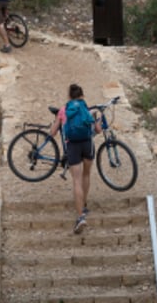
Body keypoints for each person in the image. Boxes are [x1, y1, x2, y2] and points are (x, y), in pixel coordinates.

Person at [50, 83, 101, 234]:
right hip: (87, 144)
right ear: (82, 95)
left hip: (72, 146)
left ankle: (80, 217)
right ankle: (84, 206)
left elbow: (52, 132)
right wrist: (98, 121)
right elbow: (98, 130)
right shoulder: (88, 109)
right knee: (86, 175)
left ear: (69, 96)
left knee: (76, 180)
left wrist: (56, 124)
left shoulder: (64, 110)